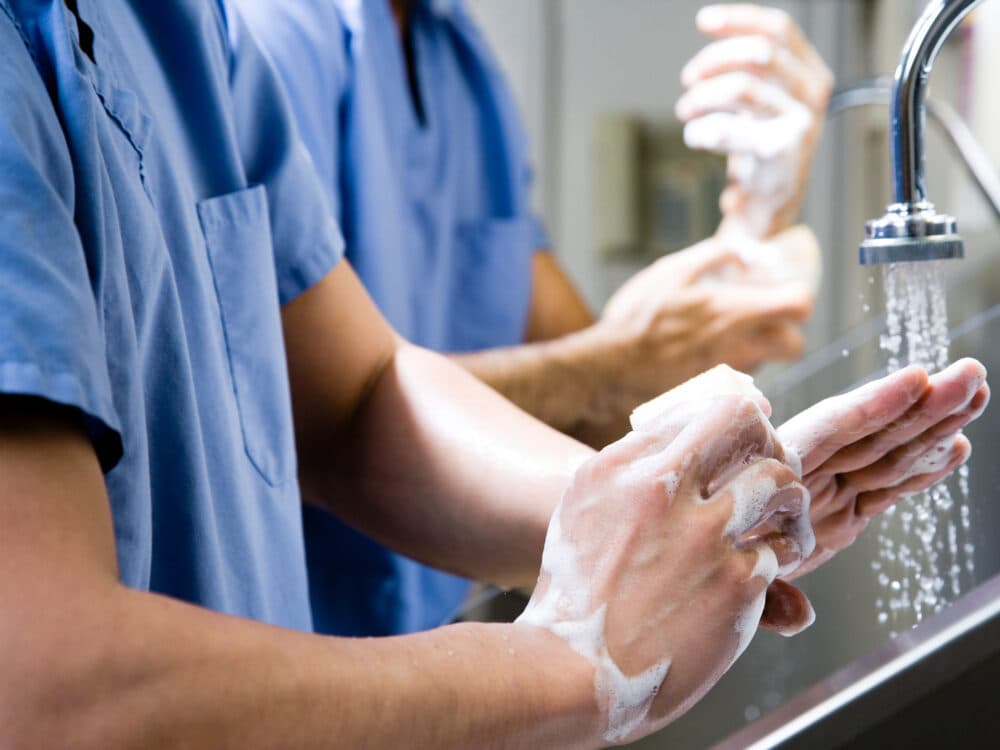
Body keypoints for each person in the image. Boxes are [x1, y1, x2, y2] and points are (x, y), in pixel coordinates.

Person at [0, 1, 987, 747]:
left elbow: (359, 396)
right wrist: (564, 667)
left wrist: (688, 508)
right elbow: (47, 683)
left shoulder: (185, 31)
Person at [236, 0, 835, 637]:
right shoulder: (274, 36)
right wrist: (617, 362)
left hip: (437, 642)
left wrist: (752, 215)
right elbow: (303, 420)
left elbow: (603, 419)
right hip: (295, 651)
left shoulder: (459, 59)